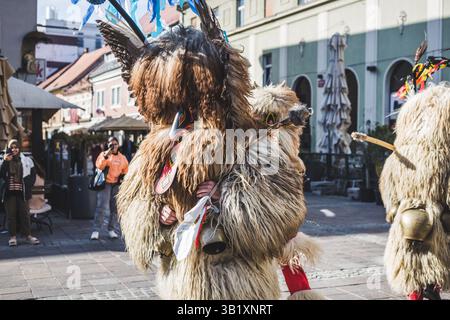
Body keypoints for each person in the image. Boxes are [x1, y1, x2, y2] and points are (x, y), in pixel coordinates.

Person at [0, 139, 39, 246]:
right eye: (12, 147)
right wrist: (5, 161)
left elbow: (33, 175)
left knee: (25, 214)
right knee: (11, 215)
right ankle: (12, 237)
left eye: (16, 147)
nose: (14, 149)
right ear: (8, 148)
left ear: (19, 148)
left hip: (22, 191)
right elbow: (1, 174)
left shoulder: (26, 160)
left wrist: (28, 185)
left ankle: (28, 236)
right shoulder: (3, 159)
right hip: (9, 192)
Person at [91, 136, 128, 240]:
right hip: (105, 183)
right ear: (107, 145)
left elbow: (126, 169)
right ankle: (96, 230)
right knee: (101, 207)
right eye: (111, 144)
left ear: (118, 145)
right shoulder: (104, 155)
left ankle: (111, 229)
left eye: (115, 144)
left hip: (116, 184)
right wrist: (106, 155)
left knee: (115, 208)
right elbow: (99, 166)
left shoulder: (122, 157)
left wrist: (122, 178)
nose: (113, 146)